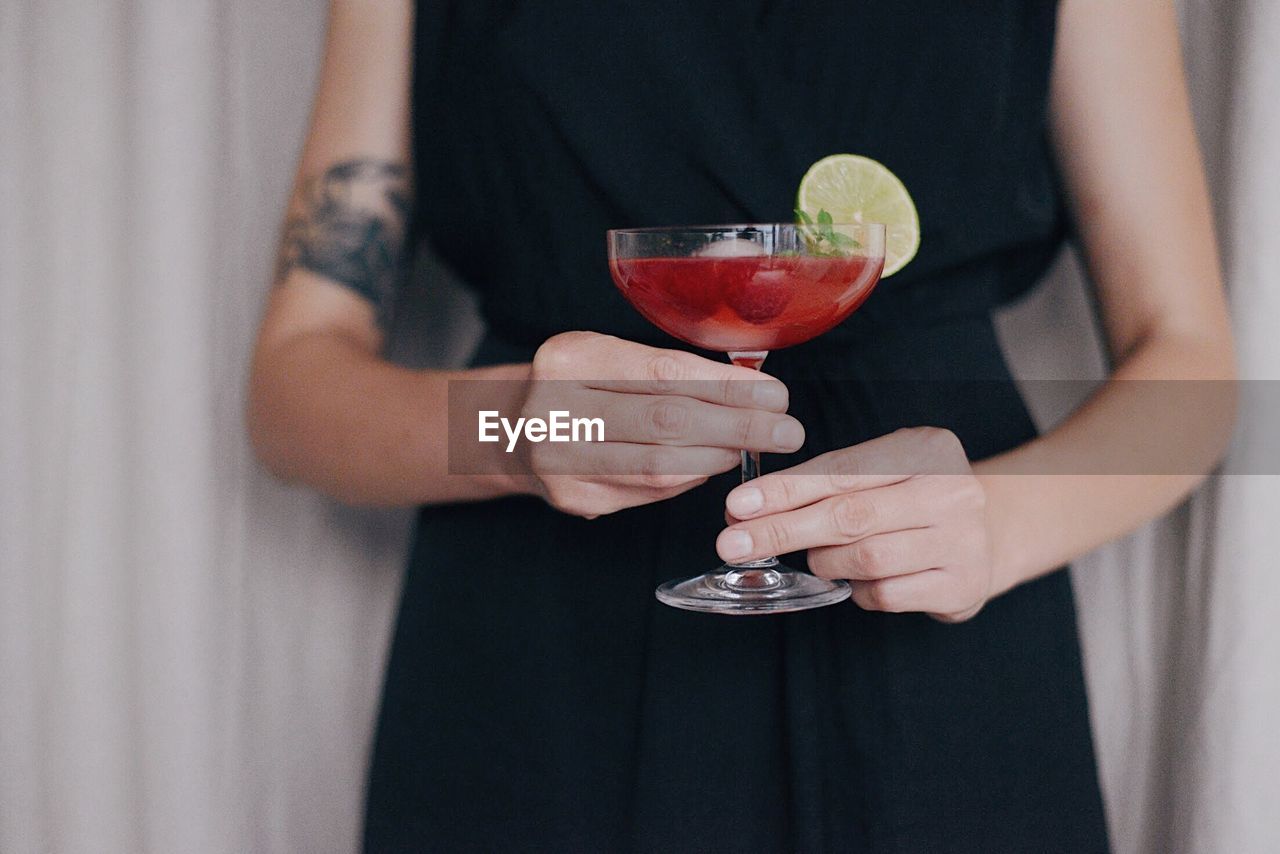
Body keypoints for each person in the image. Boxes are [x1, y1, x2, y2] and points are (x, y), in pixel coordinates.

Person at [247, 1, 1236, 850]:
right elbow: (290, 394)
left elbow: (1192, 365)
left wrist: (1001, 519)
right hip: (539, 656)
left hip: (931, 640)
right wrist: (511, 430)